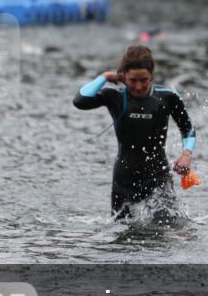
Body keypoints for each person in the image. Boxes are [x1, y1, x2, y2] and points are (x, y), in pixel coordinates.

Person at [73, 45, 196, 221]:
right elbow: (79, 101)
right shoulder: (114, 97)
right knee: (122, 236)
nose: (138, 86)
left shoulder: (167, 97)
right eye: (132, 80)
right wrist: (105, 76)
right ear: (123, 76)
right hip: (124, 179)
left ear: (151, 76)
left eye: (144, 80)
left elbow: (188, 128)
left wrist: (186, 154)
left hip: (158, 177)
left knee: (166, 229)